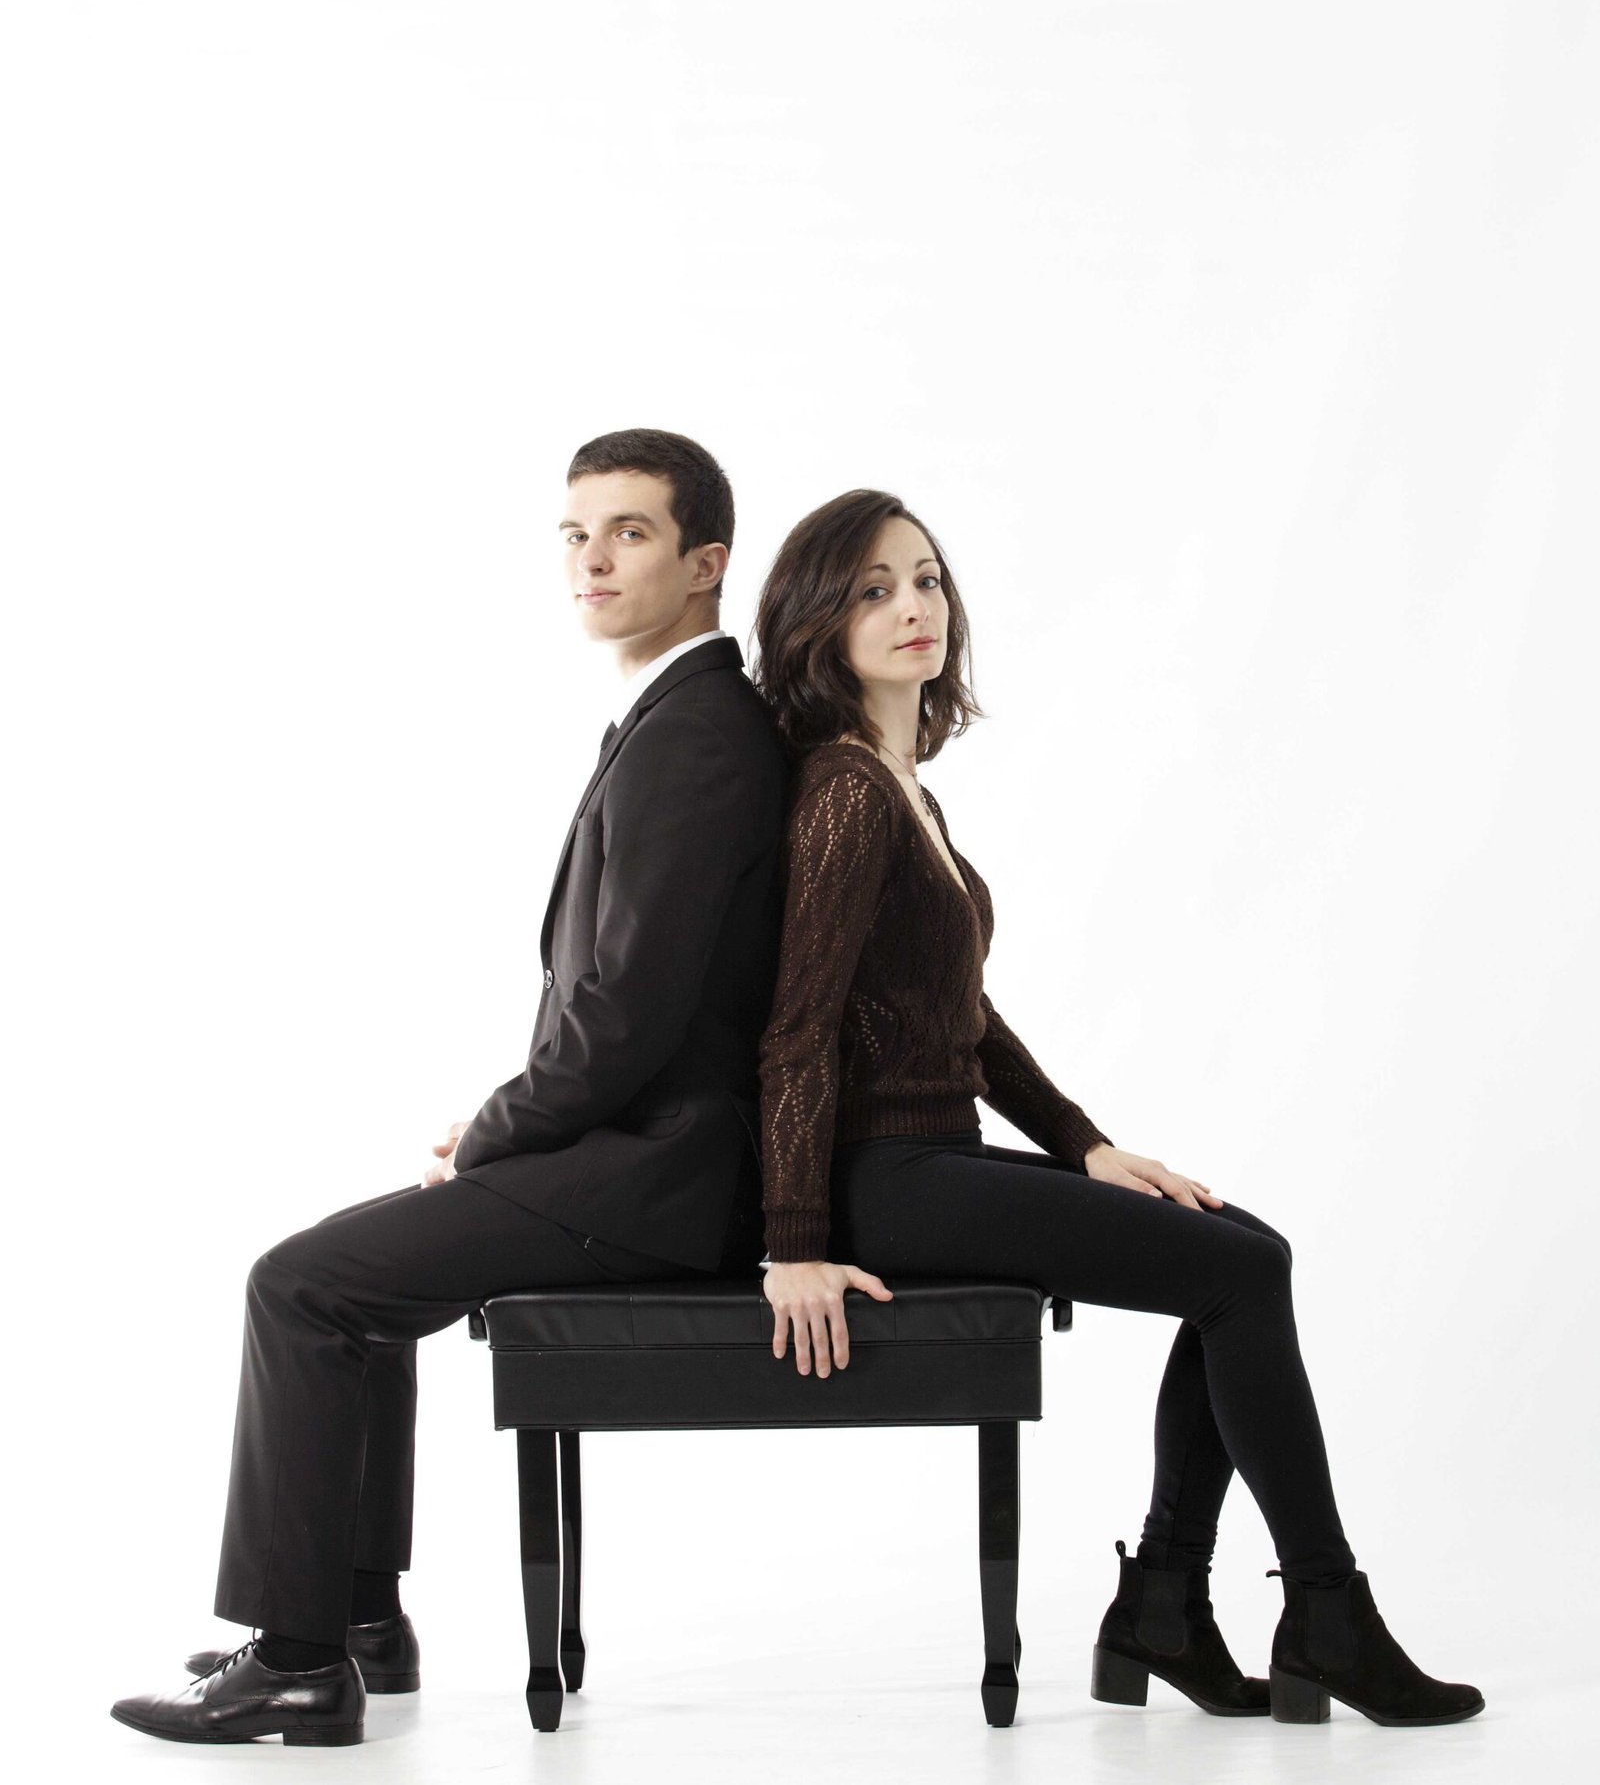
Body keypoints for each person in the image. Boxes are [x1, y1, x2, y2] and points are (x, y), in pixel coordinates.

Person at [748, 488, 1484, 1730]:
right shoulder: (844, 794)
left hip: (936, 1159)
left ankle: (1166, 1607)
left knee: (1238, 1253)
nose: (915, 607)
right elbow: (798, 1030)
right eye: (873, 589)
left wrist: (1086, 1146)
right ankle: (1321, 1614)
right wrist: (794, 1244)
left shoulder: (902, 788)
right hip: (888, 1183)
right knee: (1241, 1273)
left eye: (925, 579)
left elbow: (967, 1020)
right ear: (819, 621)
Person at [110, 429, 790, 1747]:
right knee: (353, 1286)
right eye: (574, 532)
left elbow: (627, 1016)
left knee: (302, 1285)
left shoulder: (699, 734)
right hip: (637, 1154)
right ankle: (355, 1619)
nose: (591, 559)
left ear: (707, 562)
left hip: (659, 1173)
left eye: (630, 532)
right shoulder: (675, 719)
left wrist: (494, 1130)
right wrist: (506, 1131)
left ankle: (298, 1658)